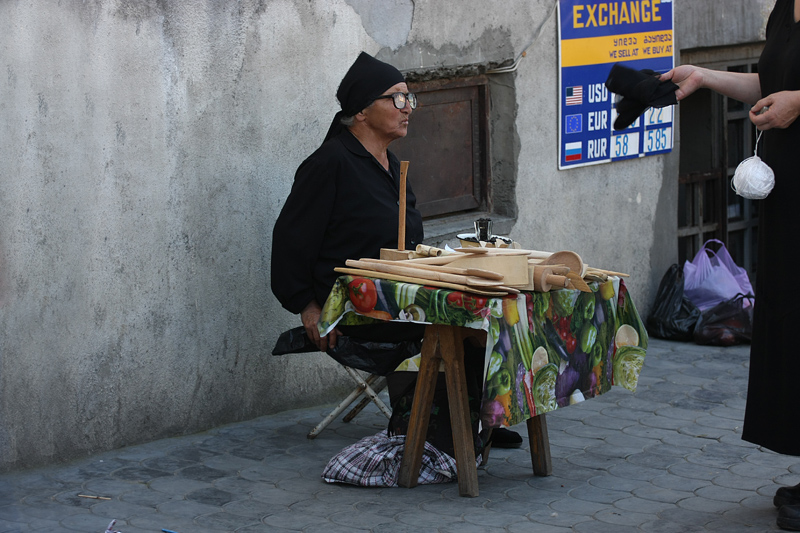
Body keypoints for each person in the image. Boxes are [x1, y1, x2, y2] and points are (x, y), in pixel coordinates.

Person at [271, 51, 522, 449]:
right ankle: (446, 424)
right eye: (397, 99)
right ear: (362, 111)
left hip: (400, 292)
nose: (408, 109)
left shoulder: (390, 164)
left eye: (410, 99)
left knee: (490, 308)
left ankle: (477, 418)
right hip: (355, 305)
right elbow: (290, 242)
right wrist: (308, 306)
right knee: (457, 319)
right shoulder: (329, 164)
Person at [661, 1, 800, 530]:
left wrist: (799, 103)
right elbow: (768, 85)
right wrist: (705, 76)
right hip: (789, 192)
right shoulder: (784, 9)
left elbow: (790, 96)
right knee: (791, 322)